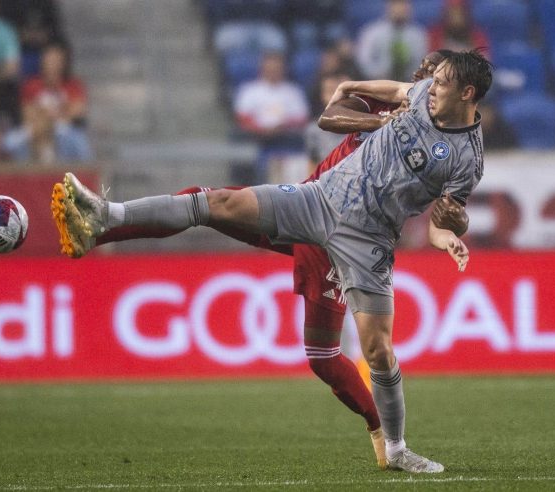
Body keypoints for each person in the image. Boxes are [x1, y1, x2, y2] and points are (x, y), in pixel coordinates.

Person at [52, 50, 488, 473]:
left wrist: (449, 233)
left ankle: (395, 447)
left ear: (467, 93)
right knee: (216, 202)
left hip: (367, 241)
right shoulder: (420, 93)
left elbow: (442, 220)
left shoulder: (466, 159)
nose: (429, 85)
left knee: (376, 350)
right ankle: (105, 216)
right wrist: (357, 90)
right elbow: (374, 95)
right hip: (316, 200)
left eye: (442, 81)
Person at [3, 43, 91, 164]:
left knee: (68, 135)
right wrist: (56, 113)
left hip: (63, 128)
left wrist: (46, 114)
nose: (52, 64)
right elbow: (27, 113)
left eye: (56, 60)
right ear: (43, 61)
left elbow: (77, 111)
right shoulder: (31, 85)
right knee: (10, 142)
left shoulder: (73, 85)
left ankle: (73, 173)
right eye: (49, 59)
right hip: (37, 127)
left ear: (63, 62)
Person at [233, 52, 310, 183]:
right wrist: (260, 130)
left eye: (277, 68)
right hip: (256, 139)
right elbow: (242, 117)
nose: (273, 71)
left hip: (287, 139)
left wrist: (282, 127)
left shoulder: (293, 91)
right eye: (270, 68)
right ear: (262, 68)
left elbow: (302, 118)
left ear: (283, 69)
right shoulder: (250, 90)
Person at [355, 0, 428, 82]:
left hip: (408, 84)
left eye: (403, 5)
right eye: (396, 5)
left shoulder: (418, 34)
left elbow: (421, 62)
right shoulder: (372, 32)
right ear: (388, 7)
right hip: (377, 82)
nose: (399, 9)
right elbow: (363, 61)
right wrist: (377, 74)